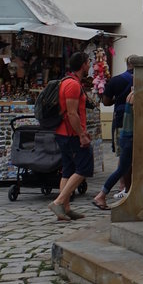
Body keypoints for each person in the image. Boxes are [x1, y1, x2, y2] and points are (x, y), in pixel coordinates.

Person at [49, 51, 92, 222]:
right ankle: (58, 202)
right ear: (82, 65)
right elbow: (72, 114)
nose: (90, 65)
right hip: (70, 134)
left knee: (67, 171)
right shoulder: (73, 85)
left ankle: (65, 209)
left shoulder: (67, 81)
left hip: (63, 132)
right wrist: (81, 134)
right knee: (84, 168)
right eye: (88, 62)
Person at [92, 88, 133, 210]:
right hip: (130, 138)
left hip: (126, 136)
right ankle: (101, 195)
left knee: (122, 169)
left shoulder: (130, 95)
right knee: (121, 169)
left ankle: (103, 195)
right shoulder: (135, 97)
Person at [103, 55, 134, 152]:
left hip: (120, 118)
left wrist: (116, 100)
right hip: (138, 118)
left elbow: (106, 102)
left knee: (122, 149)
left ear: (127, 64)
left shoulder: (115, 80)